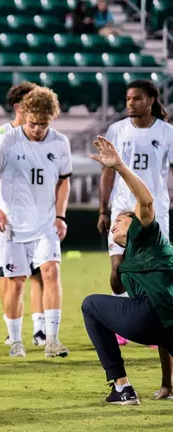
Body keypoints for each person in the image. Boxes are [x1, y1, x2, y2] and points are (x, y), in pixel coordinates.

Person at [0, 86, 72, 359]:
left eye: (43, 124)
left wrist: (60, 215)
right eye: (33, 123)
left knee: (51, 272)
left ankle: (52, 339)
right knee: (15, 281)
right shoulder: (5, 141)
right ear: (24, 113)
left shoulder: (60, 142)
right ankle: (16, 340)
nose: (38, 129)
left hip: (44, 224)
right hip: (12, 225)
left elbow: (64, 180)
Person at [83, 135, 173, 405]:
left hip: (152, 315)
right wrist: (167, 384)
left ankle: (121, 385)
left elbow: (145, 202)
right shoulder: (128, 256)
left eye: (121, 219)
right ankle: (166, 387)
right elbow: (118, 288)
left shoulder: (148, 235)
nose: (115, 223)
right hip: (163, 322)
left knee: (90, 305)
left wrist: (119, 167)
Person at [98, 80, 173, 347]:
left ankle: (158, 322)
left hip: (154, 213)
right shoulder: (117, 130)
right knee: (118, 270)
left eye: (137, 99)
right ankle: (122, 322)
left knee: (154, 271)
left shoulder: (167, 132)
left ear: (151, 100)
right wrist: (103, 209)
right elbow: (107, 172)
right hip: (121, 210)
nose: (130, 103)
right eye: (128, 99)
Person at [0, 82, 47, 351]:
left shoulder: (44, 135)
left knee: (42, 273)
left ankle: (41, 329)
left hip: (40, 216)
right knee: (10, 276)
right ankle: (13, 327)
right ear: (19, 106)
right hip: (8, 217)